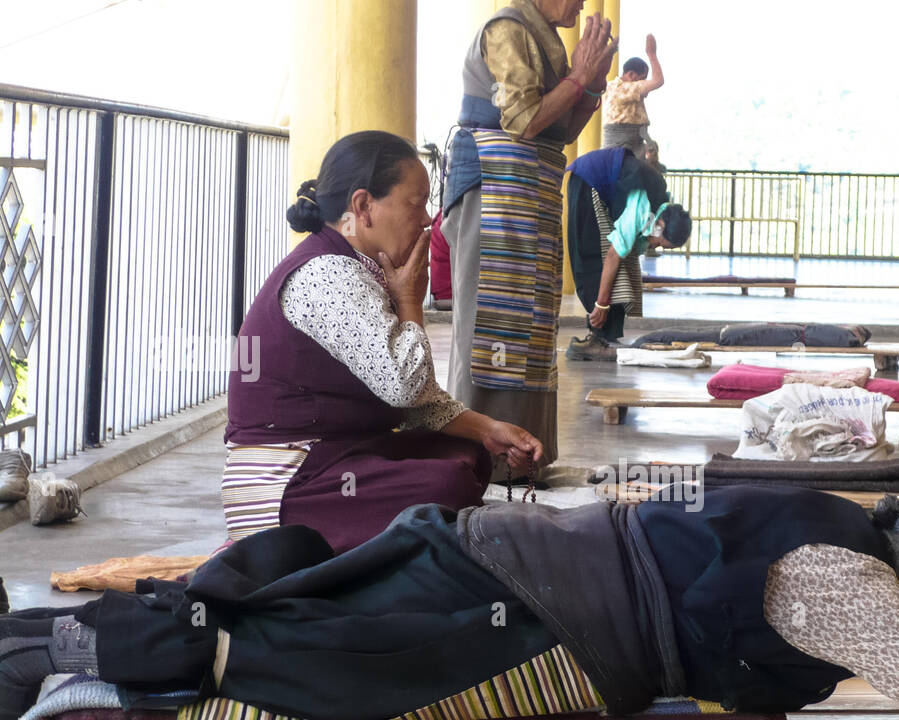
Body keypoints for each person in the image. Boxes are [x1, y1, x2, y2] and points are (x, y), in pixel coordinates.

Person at [0, 488, 899, 720]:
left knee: (270, 621)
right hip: (522, 612)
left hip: (508, 557)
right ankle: (27, 673)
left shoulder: (841, 540)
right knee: (263, 665)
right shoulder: (846, 588)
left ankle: (25, 650)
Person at [223, 131, 542, 556]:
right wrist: (410, 298)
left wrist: (489, 431)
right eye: (416, 203)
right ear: (362, 207)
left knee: (466, 455)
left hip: (334, 457)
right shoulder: (328, 275)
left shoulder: (358, 265)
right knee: (444, 486)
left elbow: (415, 401)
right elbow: (404, 386)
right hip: (283, 483)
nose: (428, 218)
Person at [443, 1, 618, 476]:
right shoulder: (506, 29)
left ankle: (522, 458)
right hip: (494, 188)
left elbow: (559, 129)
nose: (582, 5)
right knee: (489, 323)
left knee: (532, 322)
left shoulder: (546, 39)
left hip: (530, 193)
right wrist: (579, 78)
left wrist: (592, 82)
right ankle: (474, 458)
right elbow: (522, 120)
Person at [564, 145, 692, 358]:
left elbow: (628, 253)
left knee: (625, 260)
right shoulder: (641, 208)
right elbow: (614, 255)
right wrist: (602, 304)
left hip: (600, 184)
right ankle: (598, 336)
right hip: (586, 181)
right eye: (660, 243)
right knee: (594, 257)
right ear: (660, 225)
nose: (655, 246)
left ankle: (607, 335)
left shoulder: (656, 207)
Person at [603, 36, 664, 158]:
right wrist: (652, 54)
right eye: (643, 79)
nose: (645, 84)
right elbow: (658, 81)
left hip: (624, 141)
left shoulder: (610, 87)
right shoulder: (627, 88)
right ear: (631, 74)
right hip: (626, 145)